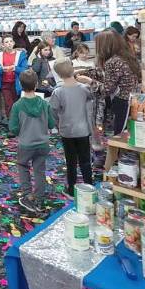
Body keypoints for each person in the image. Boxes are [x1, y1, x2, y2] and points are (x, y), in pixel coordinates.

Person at [76, 30, 141, 135]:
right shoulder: (126, 57)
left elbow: (106, 90)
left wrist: (89, 81)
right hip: (133, 100)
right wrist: (85, 72)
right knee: (129, 132)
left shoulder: (112, 62)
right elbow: (105, 74)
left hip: (123, 101)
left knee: (120, 135)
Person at [8, 70, 55, 212]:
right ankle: (39, 198)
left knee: (22, 166)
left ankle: (28, 195)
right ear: (36, 85)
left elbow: (13, 128)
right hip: (43, 143)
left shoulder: (17, 105)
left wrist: (21, 131)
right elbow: (51, 125)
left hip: (26, 144)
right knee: (39, 170)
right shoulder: (45, 104)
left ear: (20, 85)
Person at [50, 60, 95, 197]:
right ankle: (89, 187)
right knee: (85, 161)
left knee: (71, 162)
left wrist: (57, 124)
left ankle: (71, 189)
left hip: (67, 131)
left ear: (58, 74)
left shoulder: (58, 92)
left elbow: (53, 111)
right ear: (73, 69)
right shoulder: (84, 88)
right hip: (83, 130)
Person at [0, 35, 29, 119]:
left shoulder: (21, 55)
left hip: (17, 83)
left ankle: (19, 122)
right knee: (8, 104)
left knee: (17, 104)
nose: (9, 44)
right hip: (5, 83)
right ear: (3, 45)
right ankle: (11, 123)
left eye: (10, 41)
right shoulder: (0, 55)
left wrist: (15, 68)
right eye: (6, 42)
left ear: (13, 43)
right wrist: (2, 70)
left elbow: (25, 69)